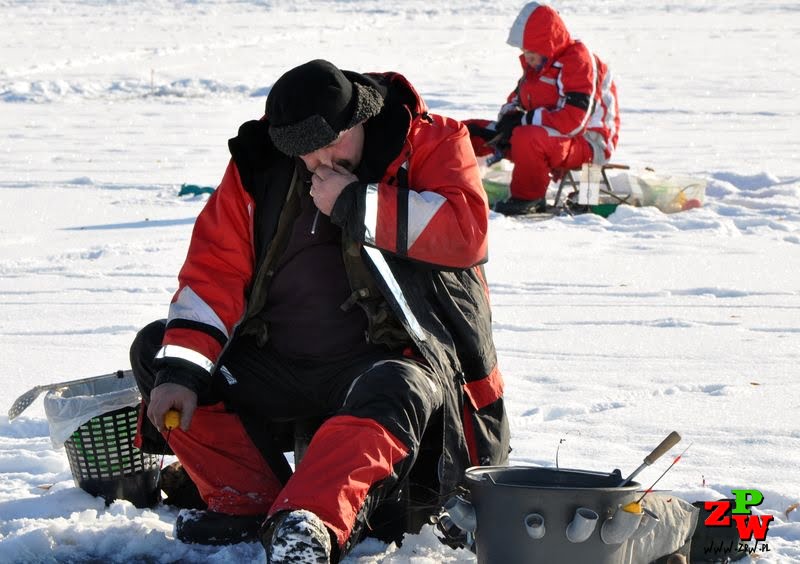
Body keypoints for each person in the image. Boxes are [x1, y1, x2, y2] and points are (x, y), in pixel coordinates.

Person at [129, 59, 510, 562]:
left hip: (378, 364)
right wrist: (180, 371)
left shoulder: (431, 141)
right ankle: (248, 502)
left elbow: (466, 233)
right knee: (161, 353)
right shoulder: (258, 164)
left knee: (401, 385)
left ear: (361, 120)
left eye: (331, 143)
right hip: (275, 362)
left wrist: (357, 203)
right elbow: (212, 270)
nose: (319, 160)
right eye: (304, 152)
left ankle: (308, 520)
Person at [466, 2, 620, 215]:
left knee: (526, 137)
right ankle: (446, 183)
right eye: (524, 52)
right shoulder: (537, 68)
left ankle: (528, 199)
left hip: (589, 142)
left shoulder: (579, 60)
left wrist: (524, 121)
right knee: (470, 131)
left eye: (531, 52)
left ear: (547, 45)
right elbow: (516, 100)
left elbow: (574, 120)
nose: (526, 58)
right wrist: (508, 120)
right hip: (547, 136)